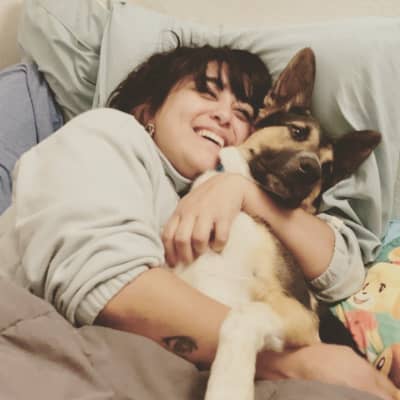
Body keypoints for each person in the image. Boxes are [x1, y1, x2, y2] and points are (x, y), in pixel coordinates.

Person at [0, 36, 398, 400]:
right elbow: (109, 290)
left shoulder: (221, 195)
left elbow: (343, 273)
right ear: (147, 107)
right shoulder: (106, 133)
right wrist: (295, 363)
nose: (225, 116)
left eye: (243, 111)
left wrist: (243, 192)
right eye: (206, 93)